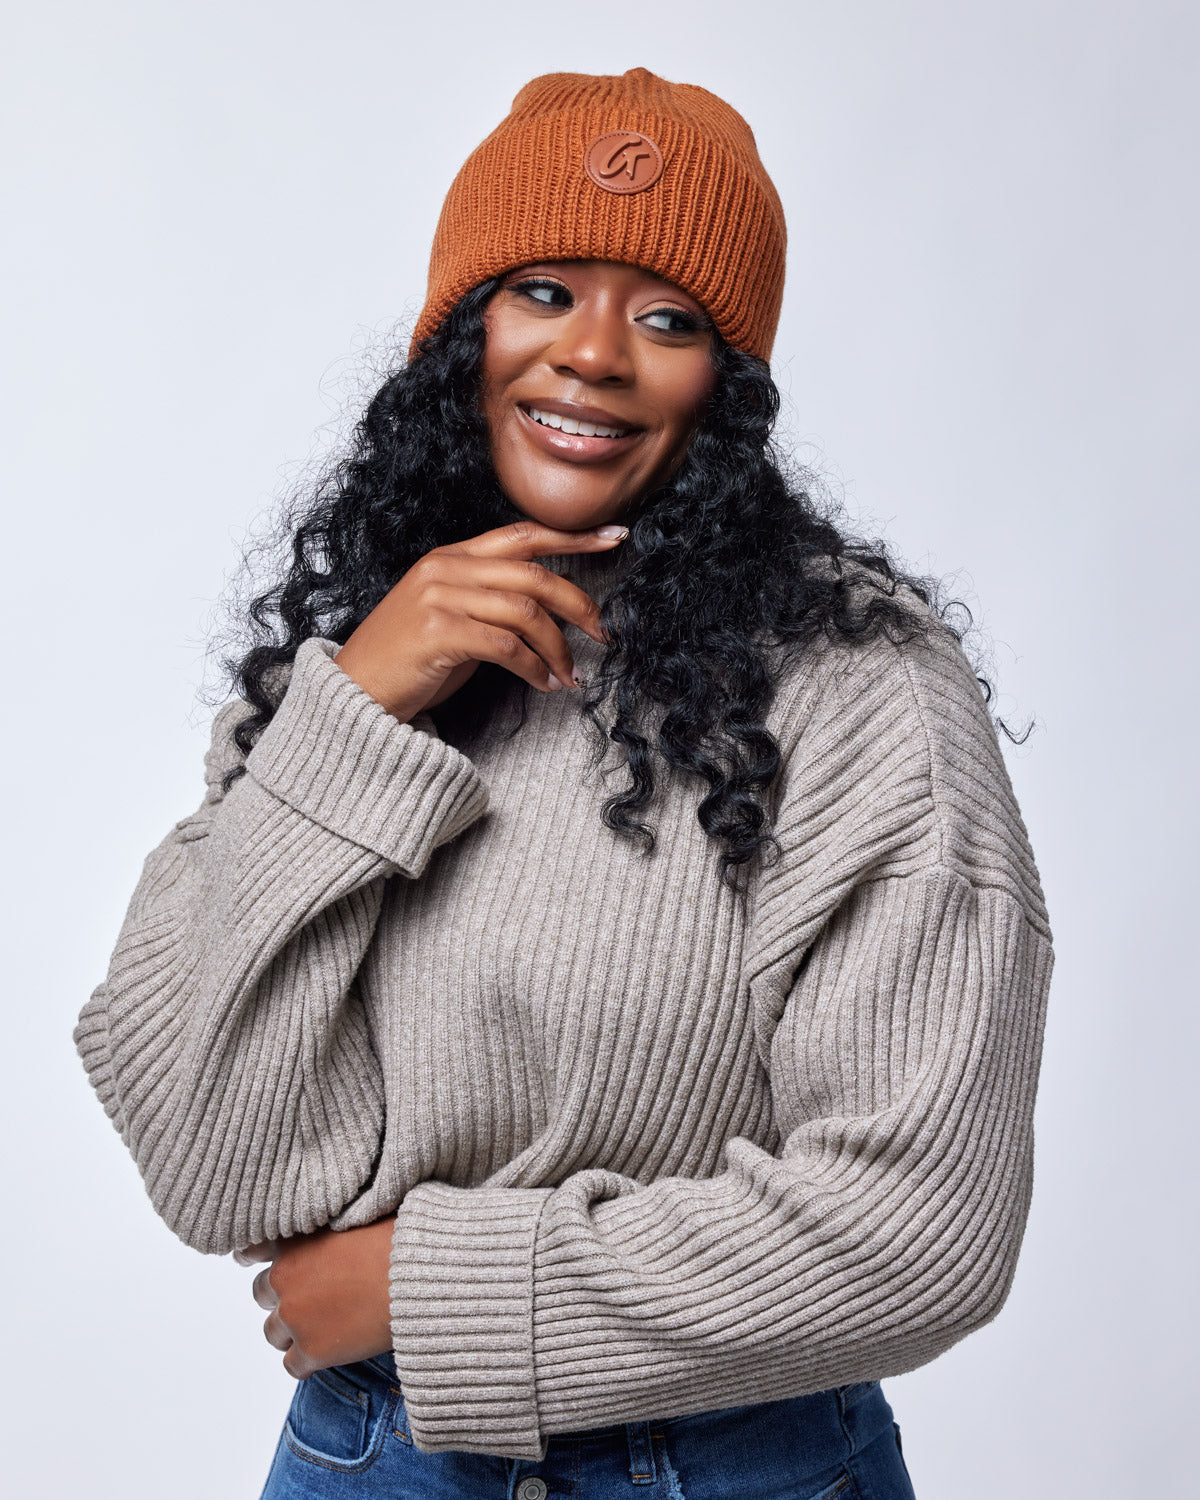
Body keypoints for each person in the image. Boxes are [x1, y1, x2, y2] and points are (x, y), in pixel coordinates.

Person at [74, 67, 1054, 1500]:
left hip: (731, 1474)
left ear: (727, 384)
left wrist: (435, 1291)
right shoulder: (338, 679)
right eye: (541, 291)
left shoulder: (857, 694)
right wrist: (356, 714)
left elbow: (923, 1225)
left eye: (667, 319)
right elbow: (216, 1166)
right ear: (459, 336)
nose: (592, 355)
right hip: (365, 1462)